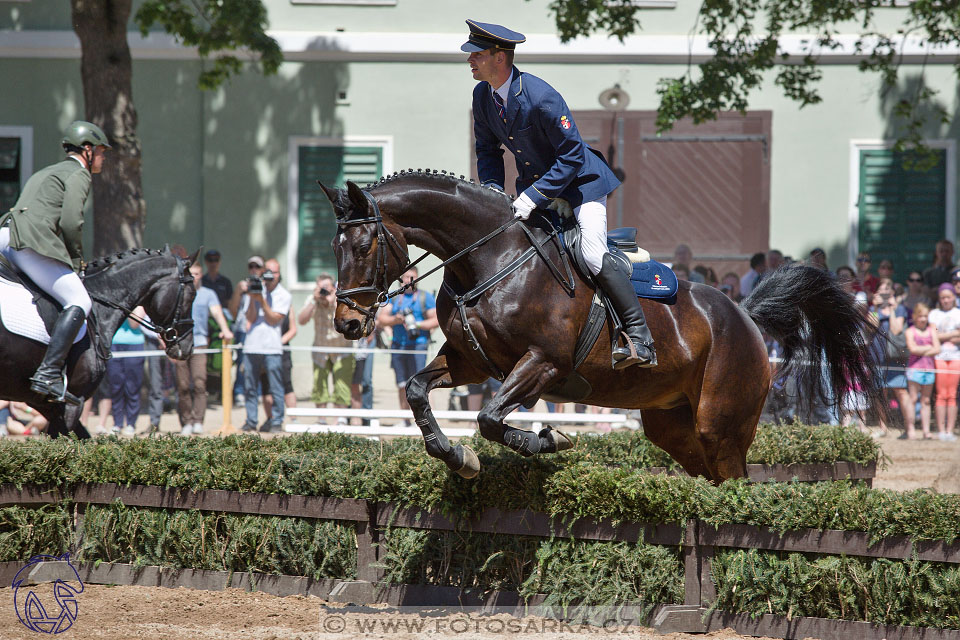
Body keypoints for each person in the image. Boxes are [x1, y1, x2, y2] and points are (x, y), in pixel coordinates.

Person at [464, 19, 655, 368]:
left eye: (476, 54)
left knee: (593, 254)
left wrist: (534, 195)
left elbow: (572, 157)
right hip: (537, 192)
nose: (470, 60)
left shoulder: (542, 97)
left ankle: (640, 337)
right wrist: (492, 189)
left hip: (582, 186)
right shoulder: (482, 96)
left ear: (500, 58)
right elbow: (487, 150)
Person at [0, 121, 110, 405]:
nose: (103, 156)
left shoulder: (49, 171)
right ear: (86, 150)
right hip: (29, 242)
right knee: (79, 301)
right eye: (100, 151)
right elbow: (72, 222)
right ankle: (48, 373)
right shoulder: (79, 174)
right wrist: (76, 260)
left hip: (6, 235)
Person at [175, 262, 233, 436]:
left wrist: (225, 329)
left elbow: (217, 313)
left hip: (199, 343)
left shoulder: (208, 294)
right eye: (191, 273)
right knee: (183, 385)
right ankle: (186, 421)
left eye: (198, 273)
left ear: (202, 275)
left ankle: (198, 420)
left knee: (200, 383)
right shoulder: (179, 291)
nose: (194, 277)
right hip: (180, 343)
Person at [377, 267, 438, 427]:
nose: (409, 281)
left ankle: (427, 421)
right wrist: (396, 320)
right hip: (398, 345)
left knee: (420, 384)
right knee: (401, 384)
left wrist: (416, 324)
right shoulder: (395, 298)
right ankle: (405, 421)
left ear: (418, 278)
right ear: (401, 279)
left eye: (413, 277)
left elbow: (436, 320)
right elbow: (382, 319)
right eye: (406, 277)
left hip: (418, 345)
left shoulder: (426, 297)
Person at [240, 257, 291, 433]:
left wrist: (261, 300)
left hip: (272, 347)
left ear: (279, 274)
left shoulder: (284, 294)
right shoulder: (255, 288)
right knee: (250, 387)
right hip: (252, 345)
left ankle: (277, 420)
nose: (270, 275)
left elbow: (273, 319)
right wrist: (254, 298)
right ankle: (251, 420)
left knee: (276, 386)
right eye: (267, 271)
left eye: (274, 272)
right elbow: (250, 318)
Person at [298, 273, 354, 423]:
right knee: (319, 385)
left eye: (326, 288)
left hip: (342, 350)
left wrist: (332, 302)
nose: (323, 291)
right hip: (321, 350)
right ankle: (321, 418)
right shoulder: (313, 300)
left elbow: (347, 319)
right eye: (320, 287)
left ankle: (340, 418)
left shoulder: (339, 301)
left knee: (341, 385)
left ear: (333, 287)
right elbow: (301, 320)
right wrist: (315, 301)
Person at [871, 278, 909, 438]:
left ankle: (909, 428)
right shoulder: (873, 309)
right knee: (880, 393)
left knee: (900, 392)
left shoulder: (899, 309)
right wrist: (875, 306)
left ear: (892, 293)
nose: (885, 294)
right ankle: (883, 427)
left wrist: (892, 308)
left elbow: (896, 328)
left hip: (895, 358)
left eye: (888, 290)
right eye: (882, 291)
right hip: (878, 356)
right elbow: (870, 326)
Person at [228, 256, 266, 405]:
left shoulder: (266, 285)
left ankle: (258, 392)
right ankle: (239, 391)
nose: (254, 269)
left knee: (260, 363)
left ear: (262, 269)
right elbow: (232, 311)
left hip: (260, 329)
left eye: (257, 266)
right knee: (242, 362)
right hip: (243, 329)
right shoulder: (243, 285)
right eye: (251, 266)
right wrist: (239, 291)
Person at [107, 307, 146, 436]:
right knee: (116, 386)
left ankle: (131, 423)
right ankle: (117, 423)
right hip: (114, 344)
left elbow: (134, 324)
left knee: (132, 386)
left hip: (134, 345)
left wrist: (128, 305)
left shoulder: (139, 304)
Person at [928, 283, 960, 442]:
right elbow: (933, 335)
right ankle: (941, 430)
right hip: (939, 357)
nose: (946, 300)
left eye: (948, 297)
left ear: (953, 297)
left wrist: (942, 335)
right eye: (943, 298)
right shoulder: (934, 314)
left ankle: (950, 430)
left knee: (952, 394)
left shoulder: (958, 313)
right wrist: (953, 334)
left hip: (955, 357)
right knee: (941, 394)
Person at [905, 302, 939, 440]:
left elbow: (938, 349)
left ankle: (926, 431)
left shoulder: (932, 330)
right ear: (915, 317)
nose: (923, 319)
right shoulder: (910, 331)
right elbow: (912, 349)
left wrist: (922, 349)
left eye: (926, 316)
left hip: (929, 369)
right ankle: (911, 429)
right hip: (914, 369)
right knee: (913, 399)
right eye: (921, 316)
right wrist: (929, 348)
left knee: (926, 400)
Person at [262, 306, 297, 427]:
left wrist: (277, 343)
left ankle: (293, 420)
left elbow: (293, 329)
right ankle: (270, 419)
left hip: (282, 351)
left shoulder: (287, 306)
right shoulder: (261, 303)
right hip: (265, 350)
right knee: (266, 386)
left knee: (287, 385)